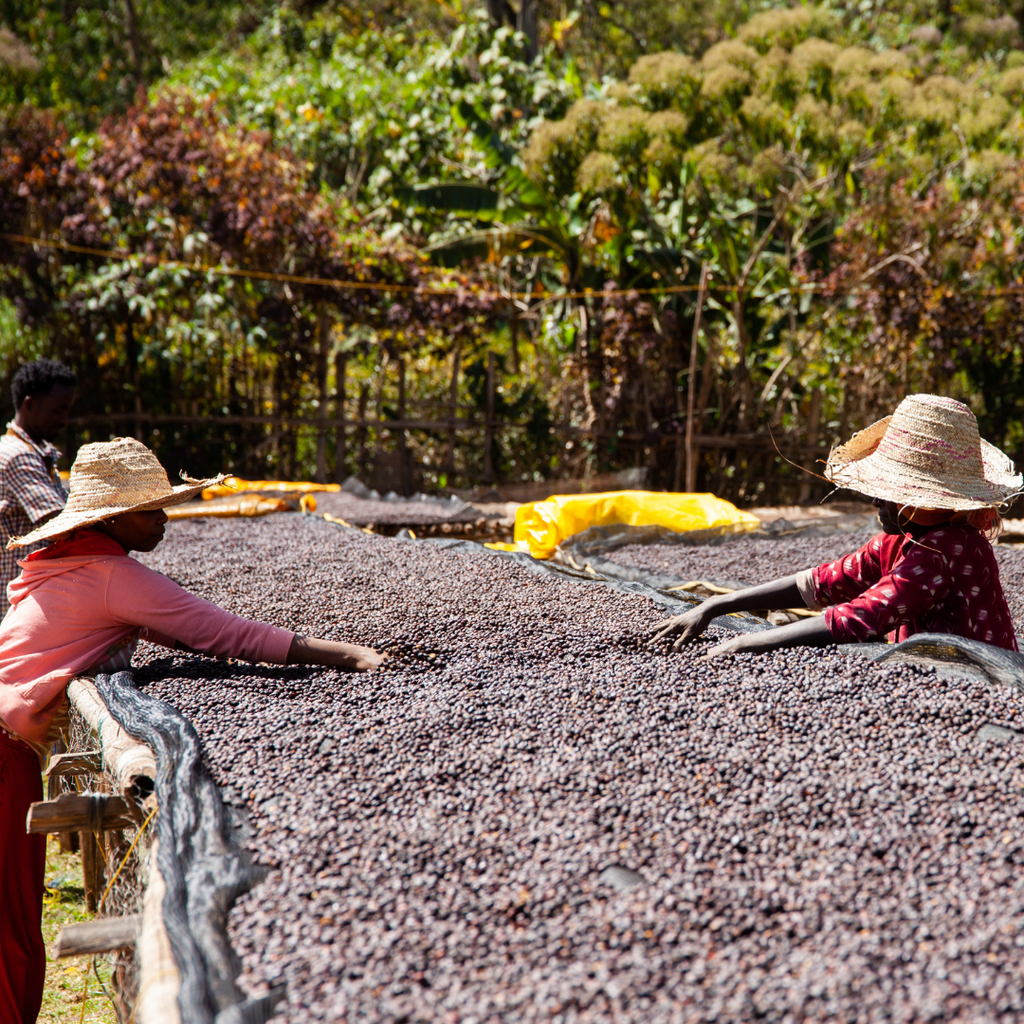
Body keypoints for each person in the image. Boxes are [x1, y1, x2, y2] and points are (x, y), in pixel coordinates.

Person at [0, 436, 384, 1024]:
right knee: (11, 926)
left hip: (11, 744)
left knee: (14, 920)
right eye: (151, 510)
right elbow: (221, 632)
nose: (164, 520)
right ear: (113, 519)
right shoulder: (112, 576)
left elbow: (178, 630)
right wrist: (346, 655)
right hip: (4, 756)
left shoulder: (66, 561)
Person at [653, 394, 1022, 658]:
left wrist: (745, 643)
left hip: (979, 680)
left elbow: (861, 617)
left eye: (887, 493)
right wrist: (717, 604)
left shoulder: (947, 549)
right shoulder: (902, 541)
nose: (876, 501)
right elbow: (826, 582)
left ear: (922, 500)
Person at [0, 359, 77, 610]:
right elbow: (62, 526)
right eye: (58, 411)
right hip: (16, 607)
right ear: (30, 405)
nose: (65, 420)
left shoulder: (36, 453)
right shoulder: (18, 456)